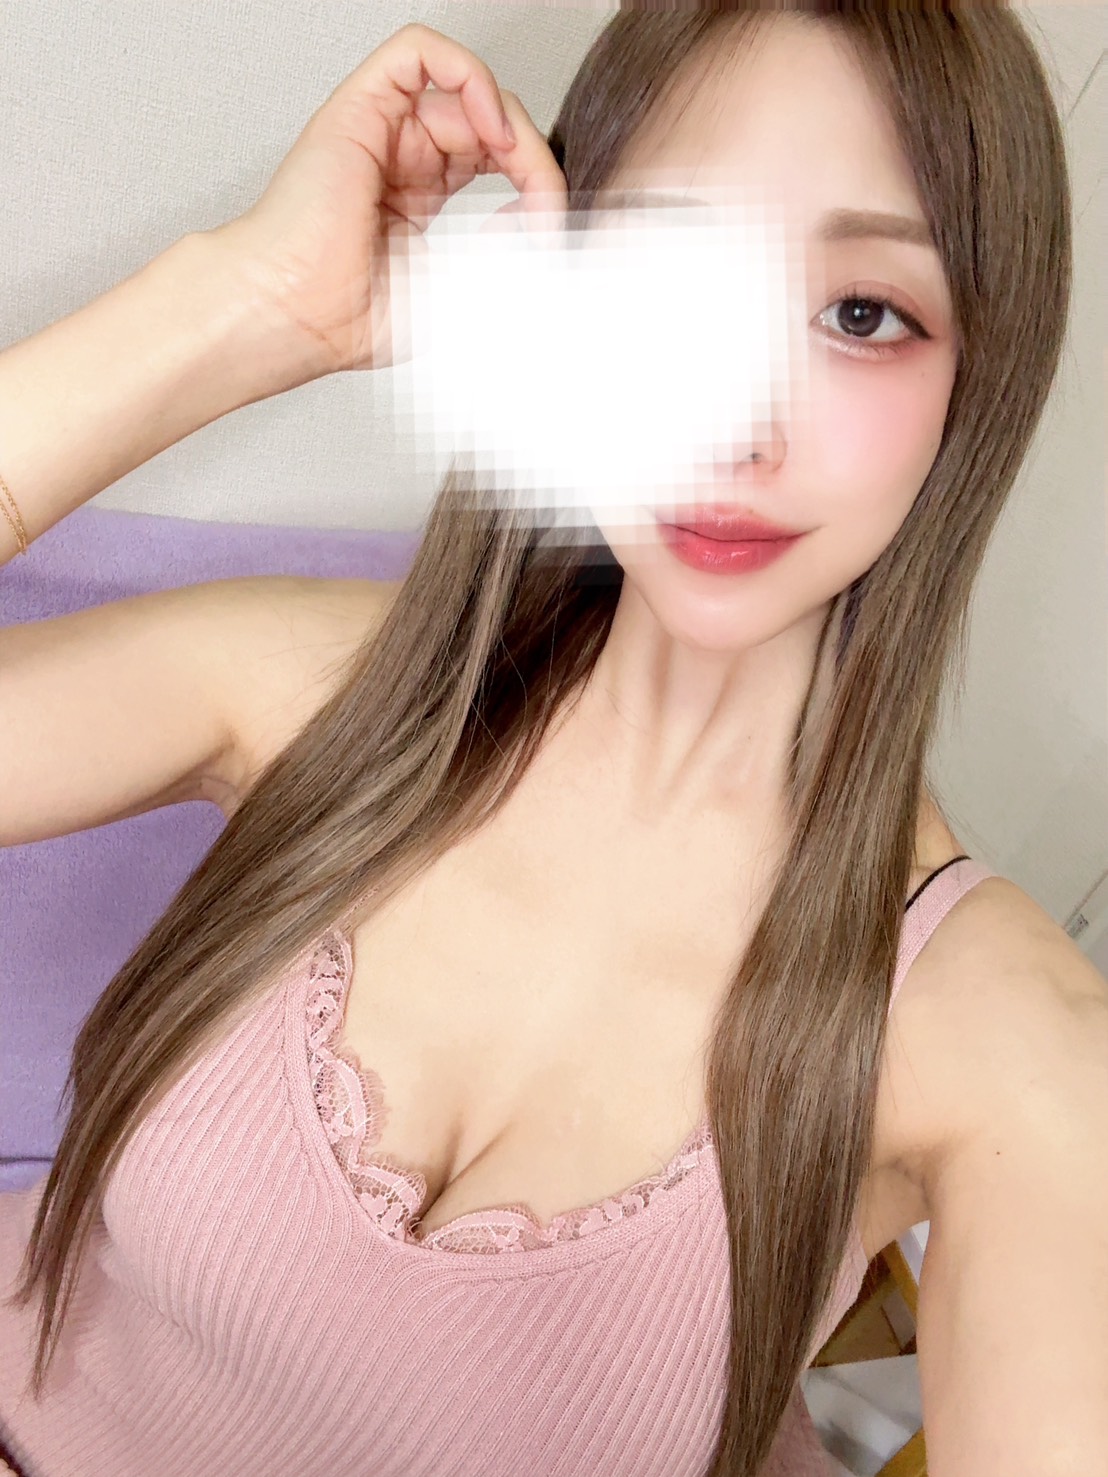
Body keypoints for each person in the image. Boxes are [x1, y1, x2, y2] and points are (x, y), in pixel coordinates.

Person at [0, 9, 1104, 1477]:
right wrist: (255, 302)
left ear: (980, 380)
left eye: (860, 315)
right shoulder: (313, 689)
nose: (738, 424)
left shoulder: (1001, 1038)